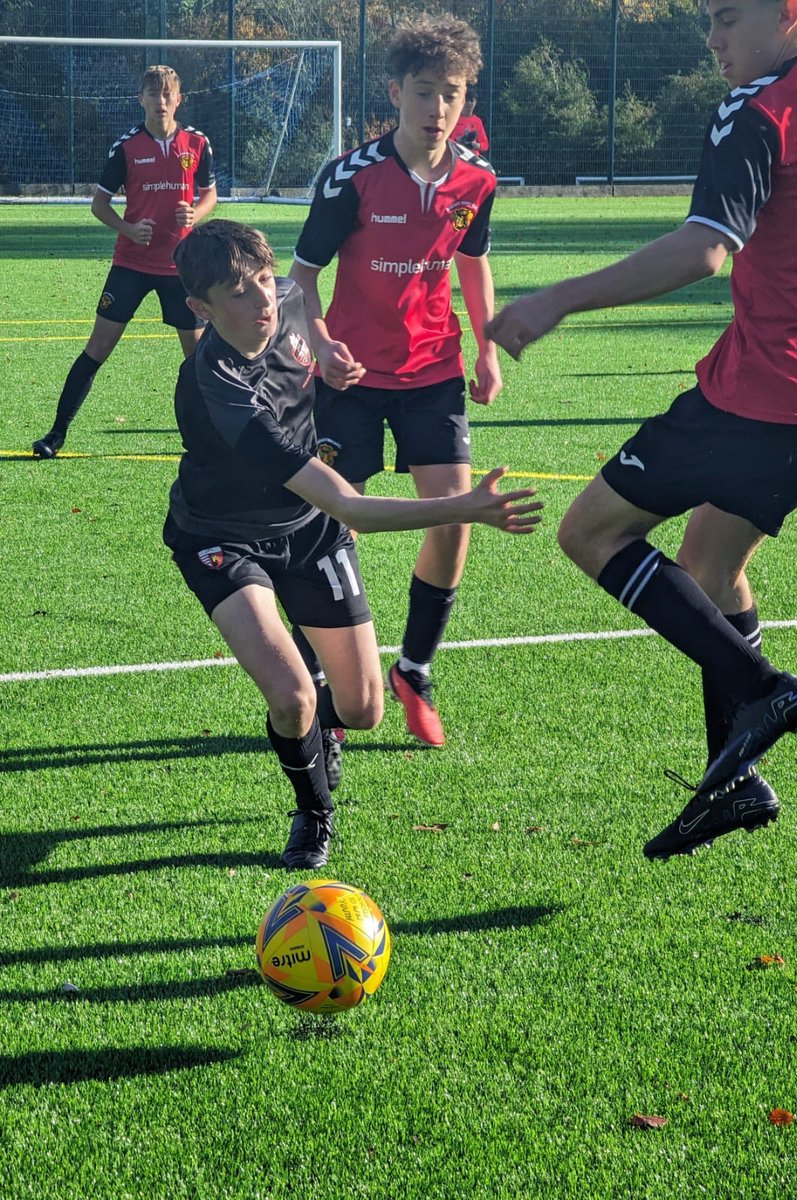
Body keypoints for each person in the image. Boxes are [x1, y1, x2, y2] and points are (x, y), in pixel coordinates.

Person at [487, 0, 797, 859]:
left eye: (722, 17)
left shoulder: (755, 109)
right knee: (711, 565)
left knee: (590, 531)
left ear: (787, 11)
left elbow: (703, 249)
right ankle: (732, 776)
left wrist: (556, 298)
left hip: (754, 396)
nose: (710, 40)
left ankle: (758, 690)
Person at [164, 219, 540, 871]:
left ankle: (324, 720)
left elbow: (302, 304)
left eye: (260, 281)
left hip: (305, 532)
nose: (260, 302)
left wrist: (328, 353)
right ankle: (313, 816)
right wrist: (465, 508)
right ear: (199, 308)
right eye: (237, 293)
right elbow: (345, 504)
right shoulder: (219, 388)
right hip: (223, 538)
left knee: (363, 710)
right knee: (291, 696)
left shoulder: (284, 297)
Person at [289, 13, 500, 750]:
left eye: (450, 94)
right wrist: (318, 342)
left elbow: (470, 259)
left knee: (452, 518)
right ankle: (323, 679)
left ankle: (414, 667)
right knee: (326, 525)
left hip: (433, 371)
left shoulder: (478, 178)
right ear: (394, 93)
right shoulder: (350, 176)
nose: (436, 110)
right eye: (422, 93)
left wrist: (486, 346)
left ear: (464, 95)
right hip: (348, 377)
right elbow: (301, 278)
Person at [33, 65, 217, 459]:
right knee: (96, 348)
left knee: (198, 359)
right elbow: (99, 204)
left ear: (179, 99)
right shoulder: (127, 147)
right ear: (141, 99)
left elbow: (210, 196)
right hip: (131, 265)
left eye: (168, 94)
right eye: (153, 93)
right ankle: (56, 433)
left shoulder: (197, 143)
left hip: (182, 268)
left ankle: (211, 439)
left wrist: (195, 214)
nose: (161, 101)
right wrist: (128, 228)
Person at [451, 86, 489, 156]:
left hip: (472, 158)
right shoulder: (454, 119)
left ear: (475, 102)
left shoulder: (477, 121)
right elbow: (446, 142)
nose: (469, 103)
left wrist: (475, 145)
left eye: (471, 100)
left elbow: (485, 145)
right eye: (466, 100)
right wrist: (458, 140)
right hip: (457, 156)